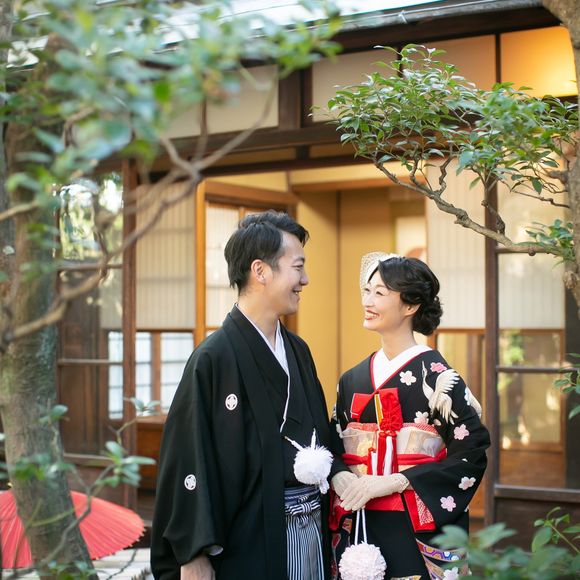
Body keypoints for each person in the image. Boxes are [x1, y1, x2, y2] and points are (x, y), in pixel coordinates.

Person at [151, 211, 342, 580]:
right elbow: (188, 459)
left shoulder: (298, 350)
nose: (305, 279)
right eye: (298, 267)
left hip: (310, 529)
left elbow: (320, 434)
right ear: (260, 271)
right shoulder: (214, 358)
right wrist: (193, 553)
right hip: (247, 540)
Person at [329, 252, 490, 580]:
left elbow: (471, 453)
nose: (367, 301)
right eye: (367, 291)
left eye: (379, 293)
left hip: (413, 522)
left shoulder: (439, 378)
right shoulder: (351, 379)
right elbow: (332, 442)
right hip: (359, 520)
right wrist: (338, 473)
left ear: (410, 305)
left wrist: (397, 480)